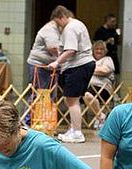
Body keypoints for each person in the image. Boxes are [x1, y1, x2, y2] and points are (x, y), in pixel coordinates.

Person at [48, 5, 96, 144]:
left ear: (62, 17)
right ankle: (73, 128)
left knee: (72, 100)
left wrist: (56, 62)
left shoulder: (70, 28)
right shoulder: (78, 24)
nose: (58, 26)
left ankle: (77, 133)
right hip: (84, 64)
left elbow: (71, 50)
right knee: (71, 100)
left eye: (58, 22)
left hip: (78, 65)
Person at [82, 40, 115, 129]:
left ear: (105, 51)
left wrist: (88, 70)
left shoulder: (107, 59)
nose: (99, 51)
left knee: (87, 95)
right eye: (97, 49)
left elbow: (104, 71)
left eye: (101, 49)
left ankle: (100, 116)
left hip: (102, 88)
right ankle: (99, 116)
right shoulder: (90, 60)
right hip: (87, 86)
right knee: (70, 96)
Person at [27, 19, 61, 97]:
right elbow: (53, 48)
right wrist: (64, 59)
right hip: (40, 66)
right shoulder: (50, 30)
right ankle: (32, 109)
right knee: (38, 96)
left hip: (49, 67)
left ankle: (47, 109)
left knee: (48, 97)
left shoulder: (57, 31)